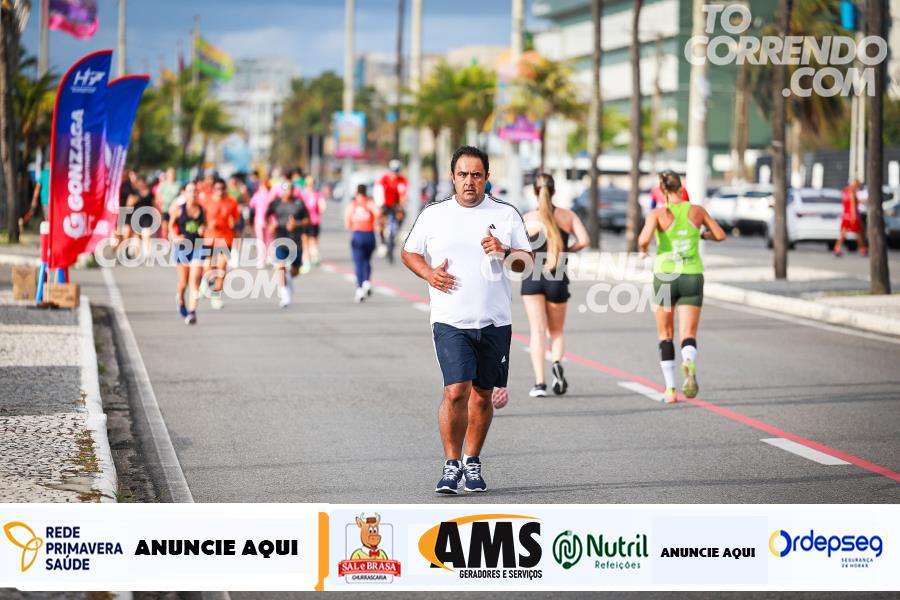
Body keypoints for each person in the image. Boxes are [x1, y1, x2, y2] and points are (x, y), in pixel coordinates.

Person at [401, 146, 532, 494]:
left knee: (482, 395)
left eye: (476, 175)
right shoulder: (434, 214)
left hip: (494, 321)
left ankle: (472, 460)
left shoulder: (505, 214)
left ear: (487, 177)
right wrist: (429, 274)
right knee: (456, 390)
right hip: (450, 319)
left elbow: (527, 263)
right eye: (463, 174)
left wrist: (504, 251)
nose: (469, 181)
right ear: (453, 177)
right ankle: (451, 463)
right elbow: (409, 252)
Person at [638, 171, 726, 404]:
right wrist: (703, 236)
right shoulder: (697, 211)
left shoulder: (657, 214)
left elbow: (643, 239)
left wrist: (644, 250)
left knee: (665, 334)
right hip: (692, 276)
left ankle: (670, 390)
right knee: (688, 334)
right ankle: (688, 360)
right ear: (680, 188)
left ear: (662, 191)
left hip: (665, 276)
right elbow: (720, 234)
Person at [521, 174, 590, 397]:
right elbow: (585, 240)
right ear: (554, 192)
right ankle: (557, 363)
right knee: (556, 331)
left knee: (537, 331)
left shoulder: (528, 218)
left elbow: (516, 247)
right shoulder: (567, 216)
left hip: (532, 277)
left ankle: (539, 384)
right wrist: (567, 251)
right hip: (557, 276)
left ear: (534, 192)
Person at [266, 182, 310, 308]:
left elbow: (308, 220)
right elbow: (267, 216)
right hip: (280, 239)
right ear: (282, 191)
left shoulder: (299, 203)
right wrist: (271, 225)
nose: (288, 192)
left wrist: (297, 224)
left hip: (295, 240)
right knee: (281, 267)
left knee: (296, 269)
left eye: (290, 190)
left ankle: (289, 278)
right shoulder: (276, 203)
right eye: (285, 190)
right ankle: (284, 294)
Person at [168, 182, 206, 325]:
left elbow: (205, 224)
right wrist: (175, 237)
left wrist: (203, 228)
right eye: (190, 191)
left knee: (195, 279)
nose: (193, 193)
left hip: (198, 246)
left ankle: (192, 311)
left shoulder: (201, 209)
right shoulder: (179, 209)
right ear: (185, 193)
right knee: (184, 282)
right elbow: (170, 226)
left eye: (195, 191)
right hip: (183, 248)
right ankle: (180, 299)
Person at [201, 178, 241, 310]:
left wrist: (233, 225)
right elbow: (200, 218)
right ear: (213, 189)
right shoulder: (206, 201)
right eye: (217, 188)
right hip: (209, 238)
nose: (220, 191)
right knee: (208, 268)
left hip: (225, 238)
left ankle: (216, 296)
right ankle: (205, 282)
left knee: (221, 268)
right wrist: (206, 225)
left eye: (222, 188)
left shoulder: (231, 202)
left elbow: (236, 220)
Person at [345, 184, 380, 303]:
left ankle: (360, 288)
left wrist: (353, 225)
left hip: (358, 234)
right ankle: (367, 282)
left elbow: (347, 221)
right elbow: (378, 214)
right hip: (369, 234)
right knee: (367, 260)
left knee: (358, 263)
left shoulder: (353, 204)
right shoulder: (369, 203)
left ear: (357, 193)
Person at [378, 159, 408, 263]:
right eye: (393, 171)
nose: (394, 174)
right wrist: (380, 205)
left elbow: (403, 194)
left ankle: (398, 230)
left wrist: (401, 205)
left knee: (402, 215)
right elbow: (379, 191)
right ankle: (382, 240)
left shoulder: (402, 180)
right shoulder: (384, 179)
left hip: (395, 205)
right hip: (385, 204)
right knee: (380, 219)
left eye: (396, 171)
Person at [834, 179, 867, 257]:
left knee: (843, 233)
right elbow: (852, 204)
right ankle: (862, 249)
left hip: (846, 215)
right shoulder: (852, 191)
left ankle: (837, 248)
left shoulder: (845, 191)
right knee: (859, 233)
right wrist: (854, 216)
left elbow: (849, 202)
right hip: (852, 215)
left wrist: (860, 201)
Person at [301, 176, 326, 270]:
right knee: (313, 241)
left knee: (305, 242)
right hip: (314, 221)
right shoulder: (317, 194)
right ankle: (314, 255)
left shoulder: (303, 194)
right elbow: (323, 208)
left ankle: (307, 261)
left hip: (305, 221)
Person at [249, 179, 273, 268]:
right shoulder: (271, 195)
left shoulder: (257, 195)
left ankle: (261, 261)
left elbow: (251, 204)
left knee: (260, 240)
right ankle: (270, 257)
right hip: (270, 219)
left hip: (259, 218)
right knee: (269, 239)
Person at [157, 167, 180, 237]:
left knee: (173, 226)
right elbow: (158, 196)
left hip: (175, 209)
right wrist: (160, 206)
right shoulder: (163, 184)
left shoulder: (178, 185)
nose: (171, 175)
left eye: (173, 174)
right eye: (170, 174)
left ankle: (173, 239)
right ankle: (165, 241)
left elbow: (180, 196)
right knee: (165, 226)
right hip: (165, 208)